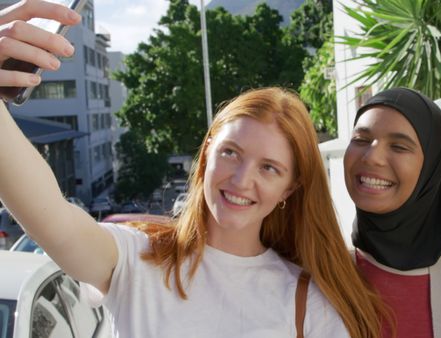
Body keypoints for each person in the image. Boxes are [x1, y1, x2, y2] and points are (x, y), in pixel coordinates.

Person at [0, 2, 389, 337]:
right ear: (205, 156)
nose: (241, 179)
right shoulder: (134, 261)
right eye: (231, 153)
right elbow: (49, 215)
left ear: (290, 189)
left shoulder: (309, 303)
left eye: (269, 168)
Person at [344, 87, 441, 337]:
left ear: (431, 169)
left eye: (399, 146)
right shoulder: (328, 269)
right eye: (360, 139)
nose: (372, 157)